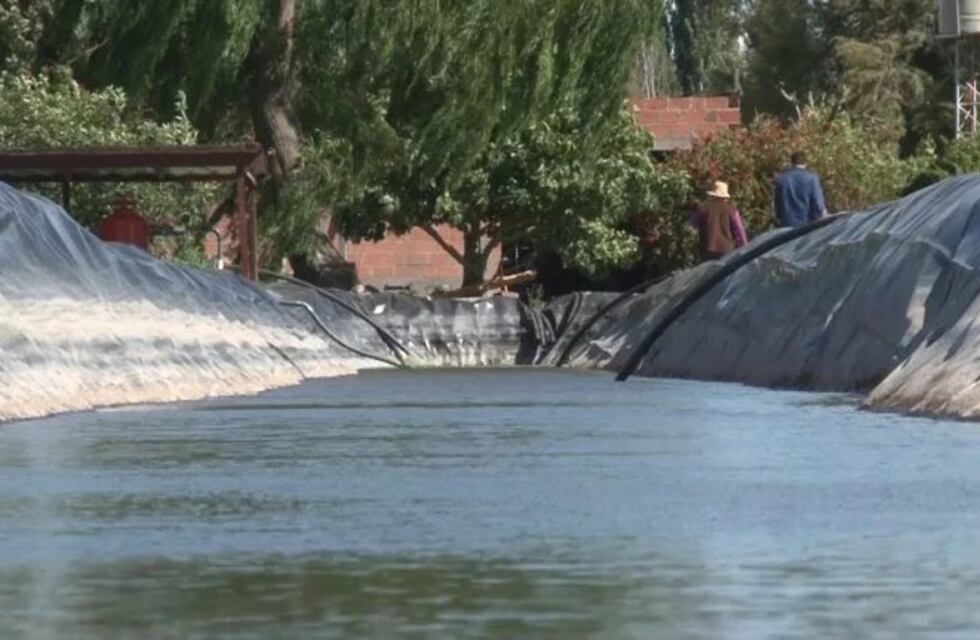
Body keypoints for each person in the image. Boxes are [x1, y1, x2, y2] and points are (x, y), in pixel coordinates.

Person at [689, 180, 748, 262]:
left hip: (706, 249)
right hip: (727, 249)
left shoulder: (702, 208)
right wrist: (745, 247)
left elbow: (692, 224)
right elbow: (739, 230)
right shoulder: (731, 210)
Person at [774, 151, 827, 228]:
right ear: (806, 163)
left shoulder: (782, 179)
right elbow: (818, 202)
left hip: (787, 224)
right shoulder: (812, 178)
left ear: (792, 163)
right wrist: (823, 215)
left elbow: (777, 202)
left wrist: (778, 217)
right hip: (808, 223)